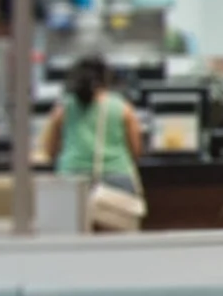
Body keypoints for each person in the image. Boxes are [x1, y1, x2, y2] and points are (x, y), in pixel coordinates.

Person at [38, 55, 146, 227]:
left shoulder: (63, 109)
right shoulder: (123, 108)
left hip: (71, 182)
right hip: (116, 180)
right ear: (106, 79)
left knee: (71, 244)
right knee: (120, 246)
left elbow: (50, 150)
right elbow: (136, 150)